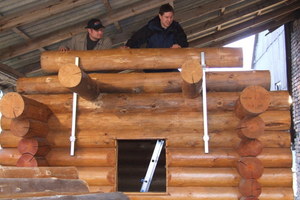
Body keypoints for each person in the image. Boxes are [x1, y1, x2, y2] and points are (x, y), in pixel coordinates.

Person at [124, 3, 188, 72]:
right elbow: (137, 38)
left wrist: (180, 46)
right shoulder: (151, 27)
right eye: (166, 17)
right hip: (152, 68)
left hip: (170, 68)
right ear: (160, 16)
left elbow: (184, 42)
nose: (169, 20)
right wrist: (128, 46)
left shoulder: (176, 28)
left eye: (171, 17)